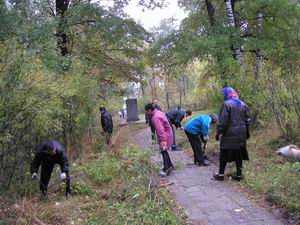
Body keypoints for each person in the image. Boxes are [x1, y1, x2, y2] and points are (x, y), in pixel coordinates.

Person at [213, 86, 251, 181]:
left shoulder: (226, 104)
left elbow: (223, 122)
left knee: (224, 153)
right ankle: (239, 175)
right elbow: (247, 120)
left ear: (226, 94)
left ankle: (220, 175)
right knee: (239, 154)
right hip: (241, 135)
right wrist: (247, 132)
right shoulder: (242, 104)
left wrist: (218, 133)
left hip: (229, 134)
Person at [145, 103, 174, 177]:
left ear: (149, 110)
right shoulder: (158, 112)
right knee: (164, 151)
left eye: (146, 111)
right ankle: (170, 165)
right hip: (168, 133)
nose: (146, 113)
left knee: (164, 151)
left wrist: (163, 141)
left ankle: (166, 169)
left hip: (165, 136)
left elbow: (160, 130)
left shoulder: (155, 117)